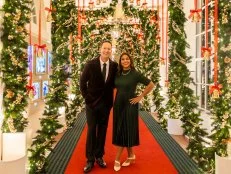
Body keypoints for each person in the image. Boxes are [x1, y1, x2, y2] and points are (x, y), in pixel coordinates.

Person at [80, 40, 118, 173]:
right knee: (91, 130)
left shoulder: (114, 66)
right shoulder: (91, 64)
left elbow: (115, 83)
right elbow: (82, 82)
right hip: (92, 104)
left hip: (106, 105)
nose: (106, 50)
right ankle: (90, 159)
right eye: (104, 48)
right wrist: (87, 98)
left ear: (111, 50)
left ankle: (99, 156)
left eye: (109, 49)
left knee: (102, 131)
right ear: (100, 49)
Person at [112, 52, 154, 171]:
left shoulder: (135, 74)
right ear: (120, 62)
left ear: (130, 60)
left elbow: (151, 84)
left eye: (127, 59)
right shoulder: (118, 73)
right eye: (123, 59)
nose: (125, 61)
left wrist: (140, 96)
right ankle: (131, 155)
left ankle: (117, 158)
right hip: (119, 104)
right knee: (122, 128)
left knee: (124, 129)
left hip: (130, 104)